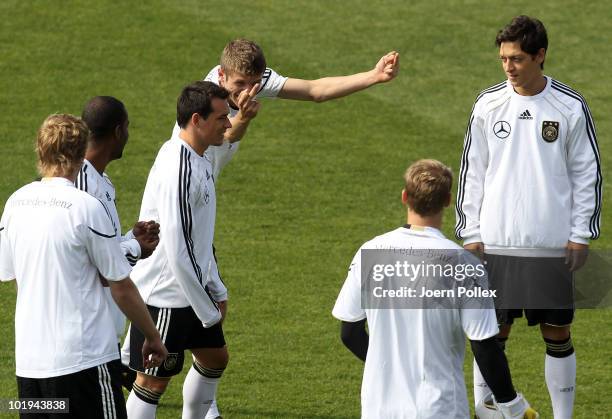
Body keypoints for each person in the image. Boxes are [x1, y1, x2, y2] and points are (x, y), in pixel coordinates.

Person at [168, 38, 400, 419]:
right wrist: (243, 116)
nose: (247, 92)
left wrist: (373, 76)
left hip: (204, 202)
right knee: (179, 326)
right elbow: (226, 137)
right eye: (240, 85)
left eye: (254, 84)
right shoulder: (206, 102)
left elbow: (315, 91)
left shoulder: (248, 84)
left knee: (203, 336)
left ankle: (197, 405)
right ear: (222, 75)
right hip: (185, 207)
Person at [455, 15, 601, 418]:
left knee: (557, 333)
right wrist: (470, 232)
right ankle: (486, 413)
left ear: (540, 56)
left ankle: (563, 416)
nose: (508, 67)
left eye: (517, 58)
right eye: (503, 58)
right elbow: (473, 171)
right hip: (496, 243)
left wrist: (581, 234)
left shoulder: (569, 106)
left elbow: (587, 172)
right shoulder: (488, 103)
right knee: (491, 334)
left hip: (551, 243)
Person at [332, 159, 538, 418]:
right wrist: (512, 405)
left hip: (380, 408)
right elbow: (484, 347)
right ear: (448, 201)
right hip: (440, 408)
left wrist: (388, 369)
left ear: (405, 196)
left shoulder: (370, 252)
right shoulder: (463, 264)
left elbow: (349, 333)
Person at [0, 114, 167, 419]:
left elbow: (15, 276)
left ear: (40, 150)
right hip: (85, 360)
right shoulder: (86, 207)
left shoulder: (14, 204)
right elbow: (119, 284)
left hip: (30, 365)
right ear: (81, 153)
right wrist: (152, 336)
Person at [125, 81, 232, 419]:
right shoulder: (179, 166)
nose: (228, 124)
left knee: (216, 358)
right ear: (197, 119)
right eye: (221, 118)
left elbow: (200, 234)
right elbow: (176, 243)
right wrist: (207, 306)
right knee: (153, 381)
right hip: (167, 294)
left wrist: (216, 285)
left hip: (191, 290)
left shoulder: (199, 157)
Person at [78, 96, 160, 390]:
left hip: (101, 337)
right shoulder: (82, 188)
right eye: (127, 127)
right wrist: (137, 248)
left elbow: (100, 246)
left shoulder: (100, 180)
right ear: (117, 131)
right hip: (89, 341)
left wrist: (129, 238)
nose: (128, 134)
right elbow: (98, 268)